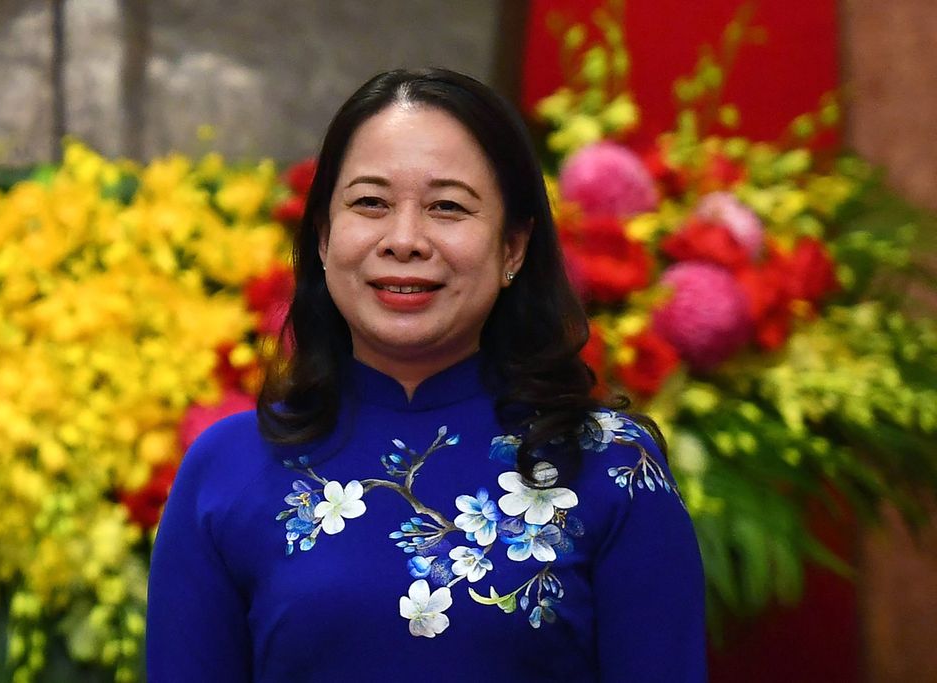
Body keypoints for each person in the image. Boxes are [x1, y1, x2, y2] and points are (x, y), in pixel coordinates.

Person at [147, 68, 705, 682]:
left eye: (447, 207)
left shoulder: (612, 467)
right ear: (325, 237)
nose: (405, 239)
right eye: (370, 203)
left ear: (513, 248)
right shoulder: (225, 470)